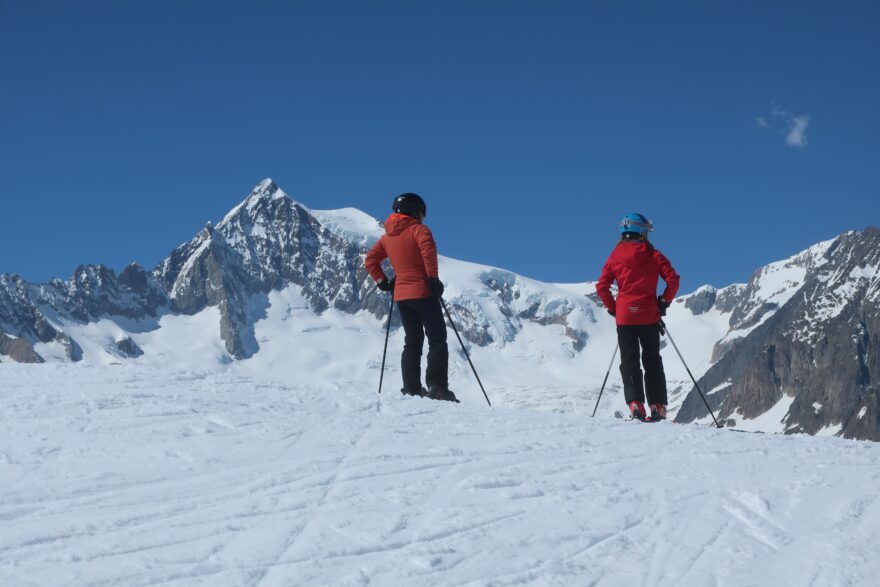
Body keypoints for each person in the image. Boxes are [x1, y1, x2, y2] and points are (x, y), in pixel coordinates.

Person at [365, 193, 458, 403]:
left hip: (402, 297)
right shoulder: (418, 230)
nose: (423, 218)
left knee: (412, 342)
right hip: (423, 292)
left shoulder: (387, 238)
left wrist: (383, 282)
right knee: (437, 339)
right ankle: (437, 387)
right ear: (415, 211)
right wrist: (433, 278)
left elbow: (370, 260)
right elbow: (428, 250)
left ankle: (412, 387)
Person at [596, 213, 680, 421]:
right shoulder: (653, 254)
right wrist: (663, 302)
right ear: (642, 232)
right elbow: (673, 280)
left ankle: (635, 404)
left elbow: (602, 287)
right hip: (649, 315)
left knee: (629, 361)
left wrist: (614, 308)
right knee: (652, 360)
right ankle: (657, 406)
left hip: (625, 317)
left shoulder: (614, 256)